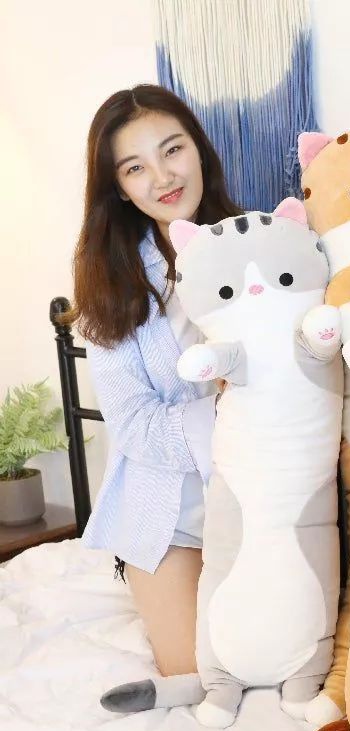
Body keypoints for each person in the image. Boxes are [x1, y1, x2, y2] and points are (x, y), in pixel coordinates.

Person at [68, 84, 240, 690]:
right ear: (118, 187)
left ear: (199, 149)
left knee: (285, 651)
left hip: (267, 490)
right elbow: (135, 426)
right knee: (197, 670)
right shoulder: (110, 285)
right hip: (169, 506)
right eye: (135, 167)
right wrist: (229, 408)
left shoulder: (263, 241)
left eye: (173, 150)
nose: (163, 177)